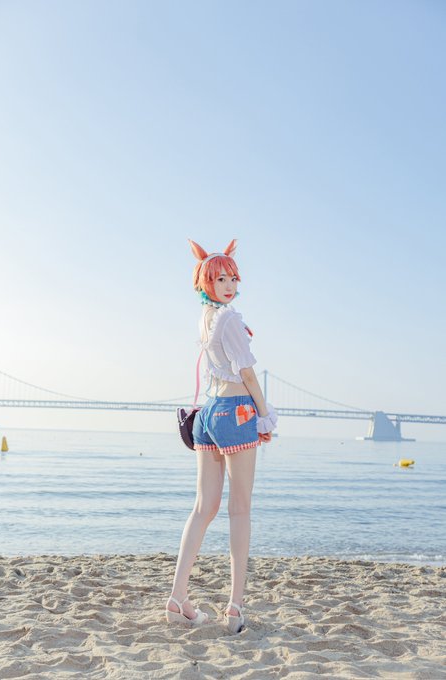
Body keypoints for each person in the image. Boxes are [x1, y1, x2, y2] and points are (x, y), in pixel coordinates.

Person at [165, 239, 277, 634]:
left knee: (203, 508)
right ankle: (234, 608)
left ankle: (177, 599)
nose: (228, 285)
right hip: (236, 410)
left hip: (208, 414)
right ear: (205, 282)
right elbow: (247, 374)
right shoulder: (229, 319)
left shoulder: (206, 317)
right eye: (219, 279)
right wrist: (265, 416)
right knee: (240, 509)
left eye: (232, 278)